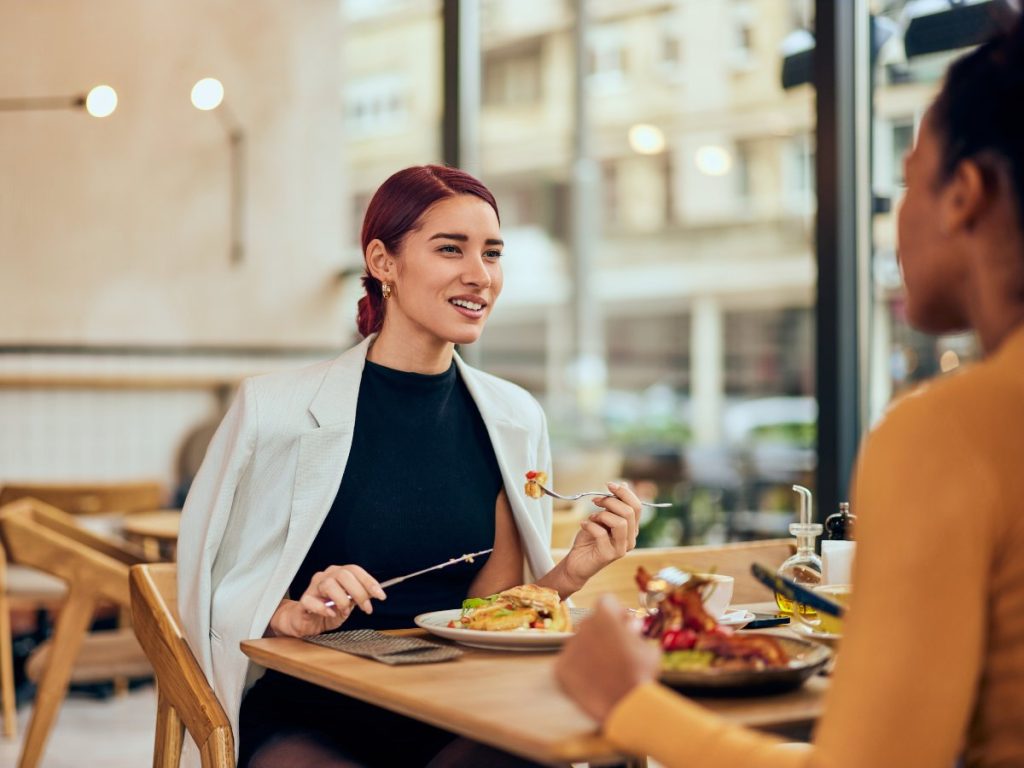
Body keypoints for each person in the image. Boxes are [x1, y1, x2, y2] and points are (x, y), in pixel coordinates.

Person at [555, 18, 1024, 768]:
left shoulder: (950, 431)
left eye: (906, 182)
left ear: (965, 195)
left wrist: (628, 704)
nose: (896, 216)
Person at [176, 164, 643, 768]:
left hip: (458, 702)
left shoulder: (514, 416)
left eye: (492, 253)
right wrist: (289, 611)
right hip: (315, 705)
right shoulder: (274, 409)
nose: (480, 276)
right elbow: (209, 582)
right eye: (450, 249)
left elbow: (487, 611)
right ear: (383, 262)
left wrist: (572, 572)